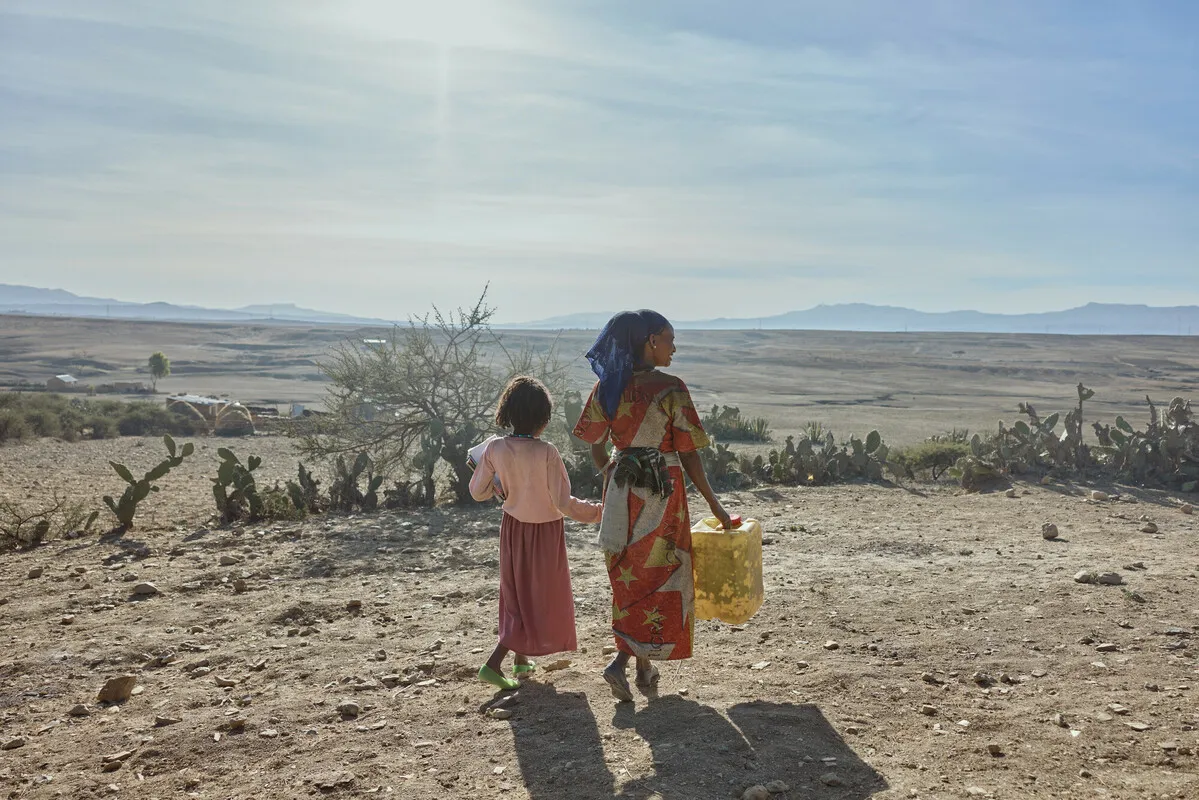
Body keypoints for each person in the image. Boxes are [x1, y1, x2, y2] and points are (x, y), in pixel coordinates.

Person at [572, 310, 731, 702]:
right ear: (650, 342)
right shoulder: (671, 388)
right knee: (661, 576)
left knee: (631, 577)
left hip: (622, 491)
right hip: (663, 492)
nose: (674, 347)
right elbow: (690, 456)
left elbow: (594, 443)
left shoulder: (608, 388)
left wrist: (611, 469)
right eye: (669, 339)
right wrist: (716, 506)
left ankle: (644, 672)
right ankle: (620, 664)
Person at [470, 375, 603, 691]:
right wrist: (600, 511)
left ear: (508, 413)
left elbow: (477, 492)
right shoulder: (547, 452)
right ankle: (492, 664)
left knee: (517, 595)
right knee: (539, 597)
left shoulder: (495, 448)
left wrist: (497, 487)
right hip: (545, 535)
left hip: (513, 532)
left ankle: (520, 660)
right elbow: (564, 503)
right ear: (544, 420)